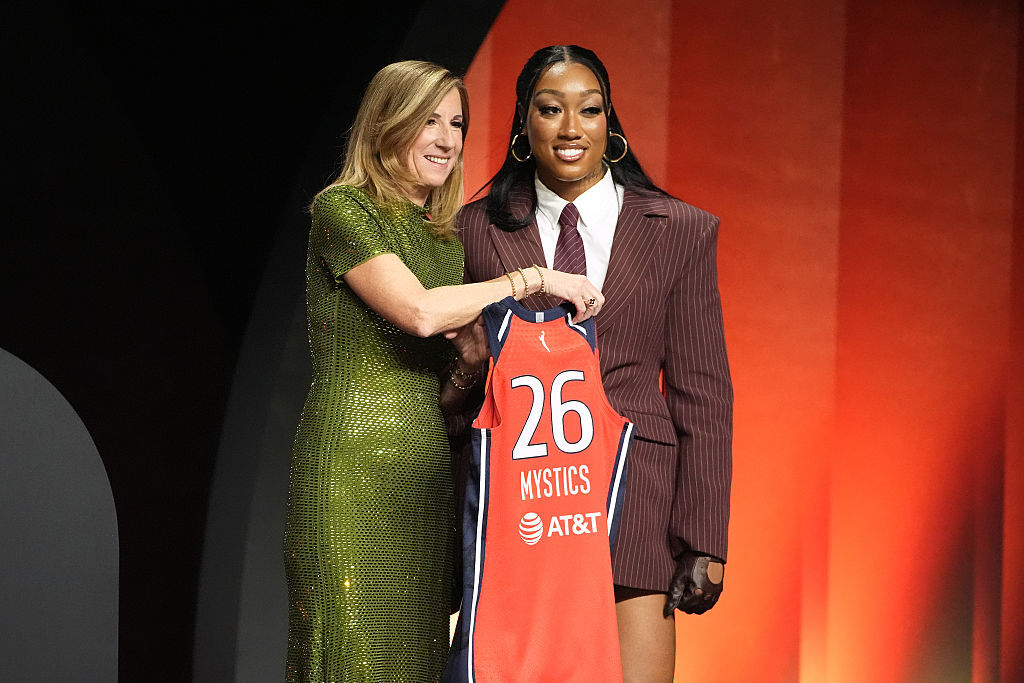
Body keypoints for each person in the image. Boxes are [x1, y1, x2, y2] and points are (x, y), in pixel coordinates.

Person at [284, 59, 603, 681]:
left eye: (456, 123)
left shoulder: (447, 238)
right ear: (386, 124)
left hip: (426, 477)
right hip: (351, 475)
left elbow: (446, 386)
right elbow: (421, 313)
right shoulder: (344, 211)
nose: (447, 139)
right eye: (428, 120)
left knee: (417, 664)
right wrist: (535, 278)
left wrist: (468, 369)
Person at [456, 45, 733, 681]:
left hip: (639, 498)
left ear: (612, 124)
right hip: (525, 505)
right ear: (524, 127)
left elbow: (703, 394)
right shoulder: (476, 231)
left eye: (591, 109)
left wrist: (704, 538)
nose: (572, 128)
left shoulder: (681, 230)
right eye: (551, 110)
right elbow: (463, 387)